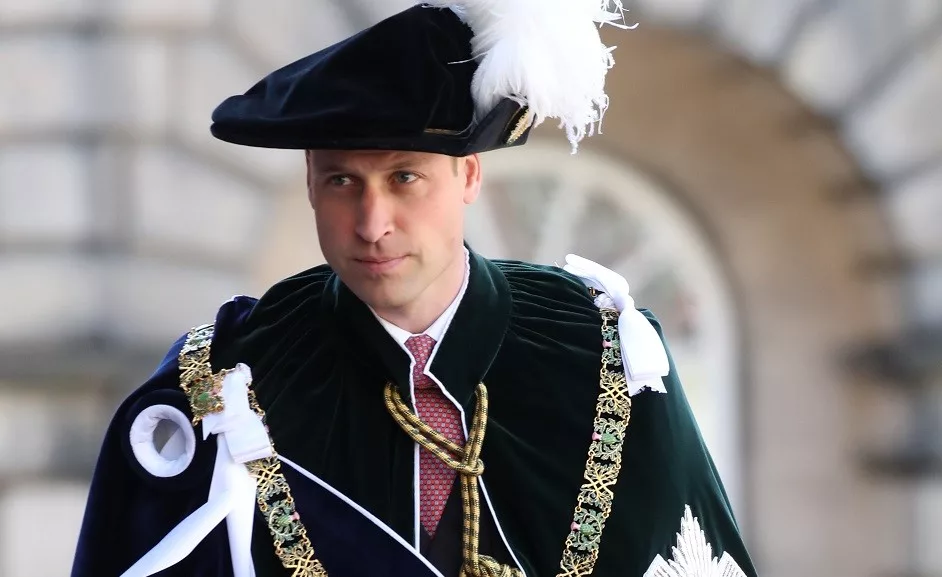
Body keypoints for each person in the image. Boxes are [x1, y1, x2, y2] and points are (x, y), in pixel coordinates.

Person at [71, 2, 758, 576]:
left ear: (469, 176)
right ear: (310, 184)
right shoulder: (225, 381)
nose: (372, 224)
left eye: (405, 178)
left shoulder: (602, 353)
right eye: (343, 181)